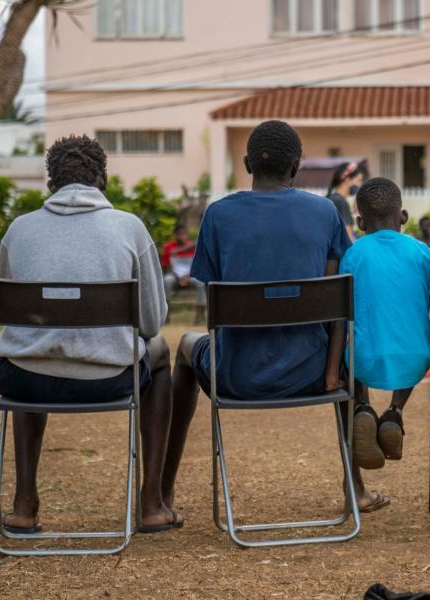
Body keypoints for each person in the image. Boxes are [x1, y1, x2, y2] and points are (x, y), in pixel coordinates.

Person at [165, 121, 360, 511]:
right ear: (296, 166)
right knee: (347, 347)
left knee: (186, 347)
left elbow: (214, 300)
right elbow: (334, 296)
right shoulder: (324, 212)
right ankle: (356, 487)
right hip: (316, 375)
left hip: (235, 376)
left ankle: (161, 491)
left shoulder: (218, 216)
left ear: (246, 163)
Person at [0, 135, 178, 534]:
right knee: (161, 353)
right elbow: (150, 324)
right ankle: (151, 503)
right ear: (103, 180)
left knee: (30, 352)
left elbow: (15, 313)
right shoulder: (129, 228)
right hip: (108, 381)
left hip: (25, 381)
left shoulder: (19, 230)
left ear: (50, 185)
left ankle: (24, 503)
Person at [336, 177, 430, 511]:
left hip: (363, 360)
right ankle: (395, 410)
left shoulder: (352, 255)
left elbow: (343, 314)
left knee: (361, 339)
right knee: (406, 339)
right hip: (416, 359)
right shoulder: (422, 252)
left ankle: (362, 405)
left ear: (360, 222)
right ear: (403, 216)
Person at [161, 223, 205, 324]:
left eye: (185, 234)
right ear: (175, 235)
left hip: (190, 275)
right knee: (167, 281)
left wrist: (188, 276)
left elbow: (196, 265)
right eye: (180, 234)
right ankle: (166, 314)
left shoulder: (193, 247)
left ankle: (199, 316)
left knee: (201, 283)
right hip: (174, 275)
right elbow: (168, 267)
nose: (183, 236)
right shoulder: (168, 247)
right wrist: (177, 277)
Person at [327, 161, 364, 240]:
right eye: (359, 180)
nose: (360, 185)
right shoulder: (341, 202)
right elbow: (348, 236)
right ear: (347, 179)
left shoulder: (331, 199)